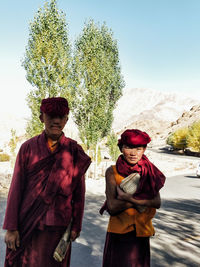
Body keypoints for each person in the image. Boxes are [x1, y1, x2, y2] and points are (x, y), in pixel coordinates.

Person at [3, 97, 91, 267]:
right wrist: (12, 228)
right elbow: (16, 189)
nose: (56, 121)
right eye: (51, 116)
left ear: (66, 118)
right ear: (41, 117)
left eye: (61, 116)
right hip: (28, 223)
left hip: (58, 226)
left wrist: (76, 226)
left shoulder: (74, 151)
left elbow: (79, 194)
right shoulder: (28, 148)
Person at [100, 129, 166, 267]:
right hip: (118, 233)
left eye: (138, 148)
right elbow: (112, 208)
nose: (133, 153)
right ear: (121, 148)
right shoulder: (112, 172)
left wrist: (127, 198)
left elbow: (157, 202)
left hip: (141, 232)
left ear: (144, 149)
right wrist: (142, 201)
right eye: (128, 147)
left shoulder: (149, 171)